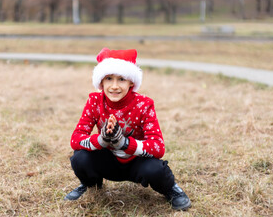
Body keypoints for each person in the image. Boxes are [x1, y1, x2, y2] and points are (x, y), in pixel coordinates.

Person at [64, 48, 191, 211]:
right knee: (79, 158)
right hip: (107, 161)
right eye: (109, 78)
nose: (114, 86)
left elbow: (158, 148)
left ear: (131, 82)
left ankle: (171, 189)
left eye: (122, 79)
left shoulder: (144, 104)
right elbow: (76, 139)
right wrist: (101, 140)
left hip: (136, 163)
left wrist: (124, 143)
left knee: (155, 169)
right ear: (101, 81)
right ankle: (91, 185)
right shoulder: (95, 101)